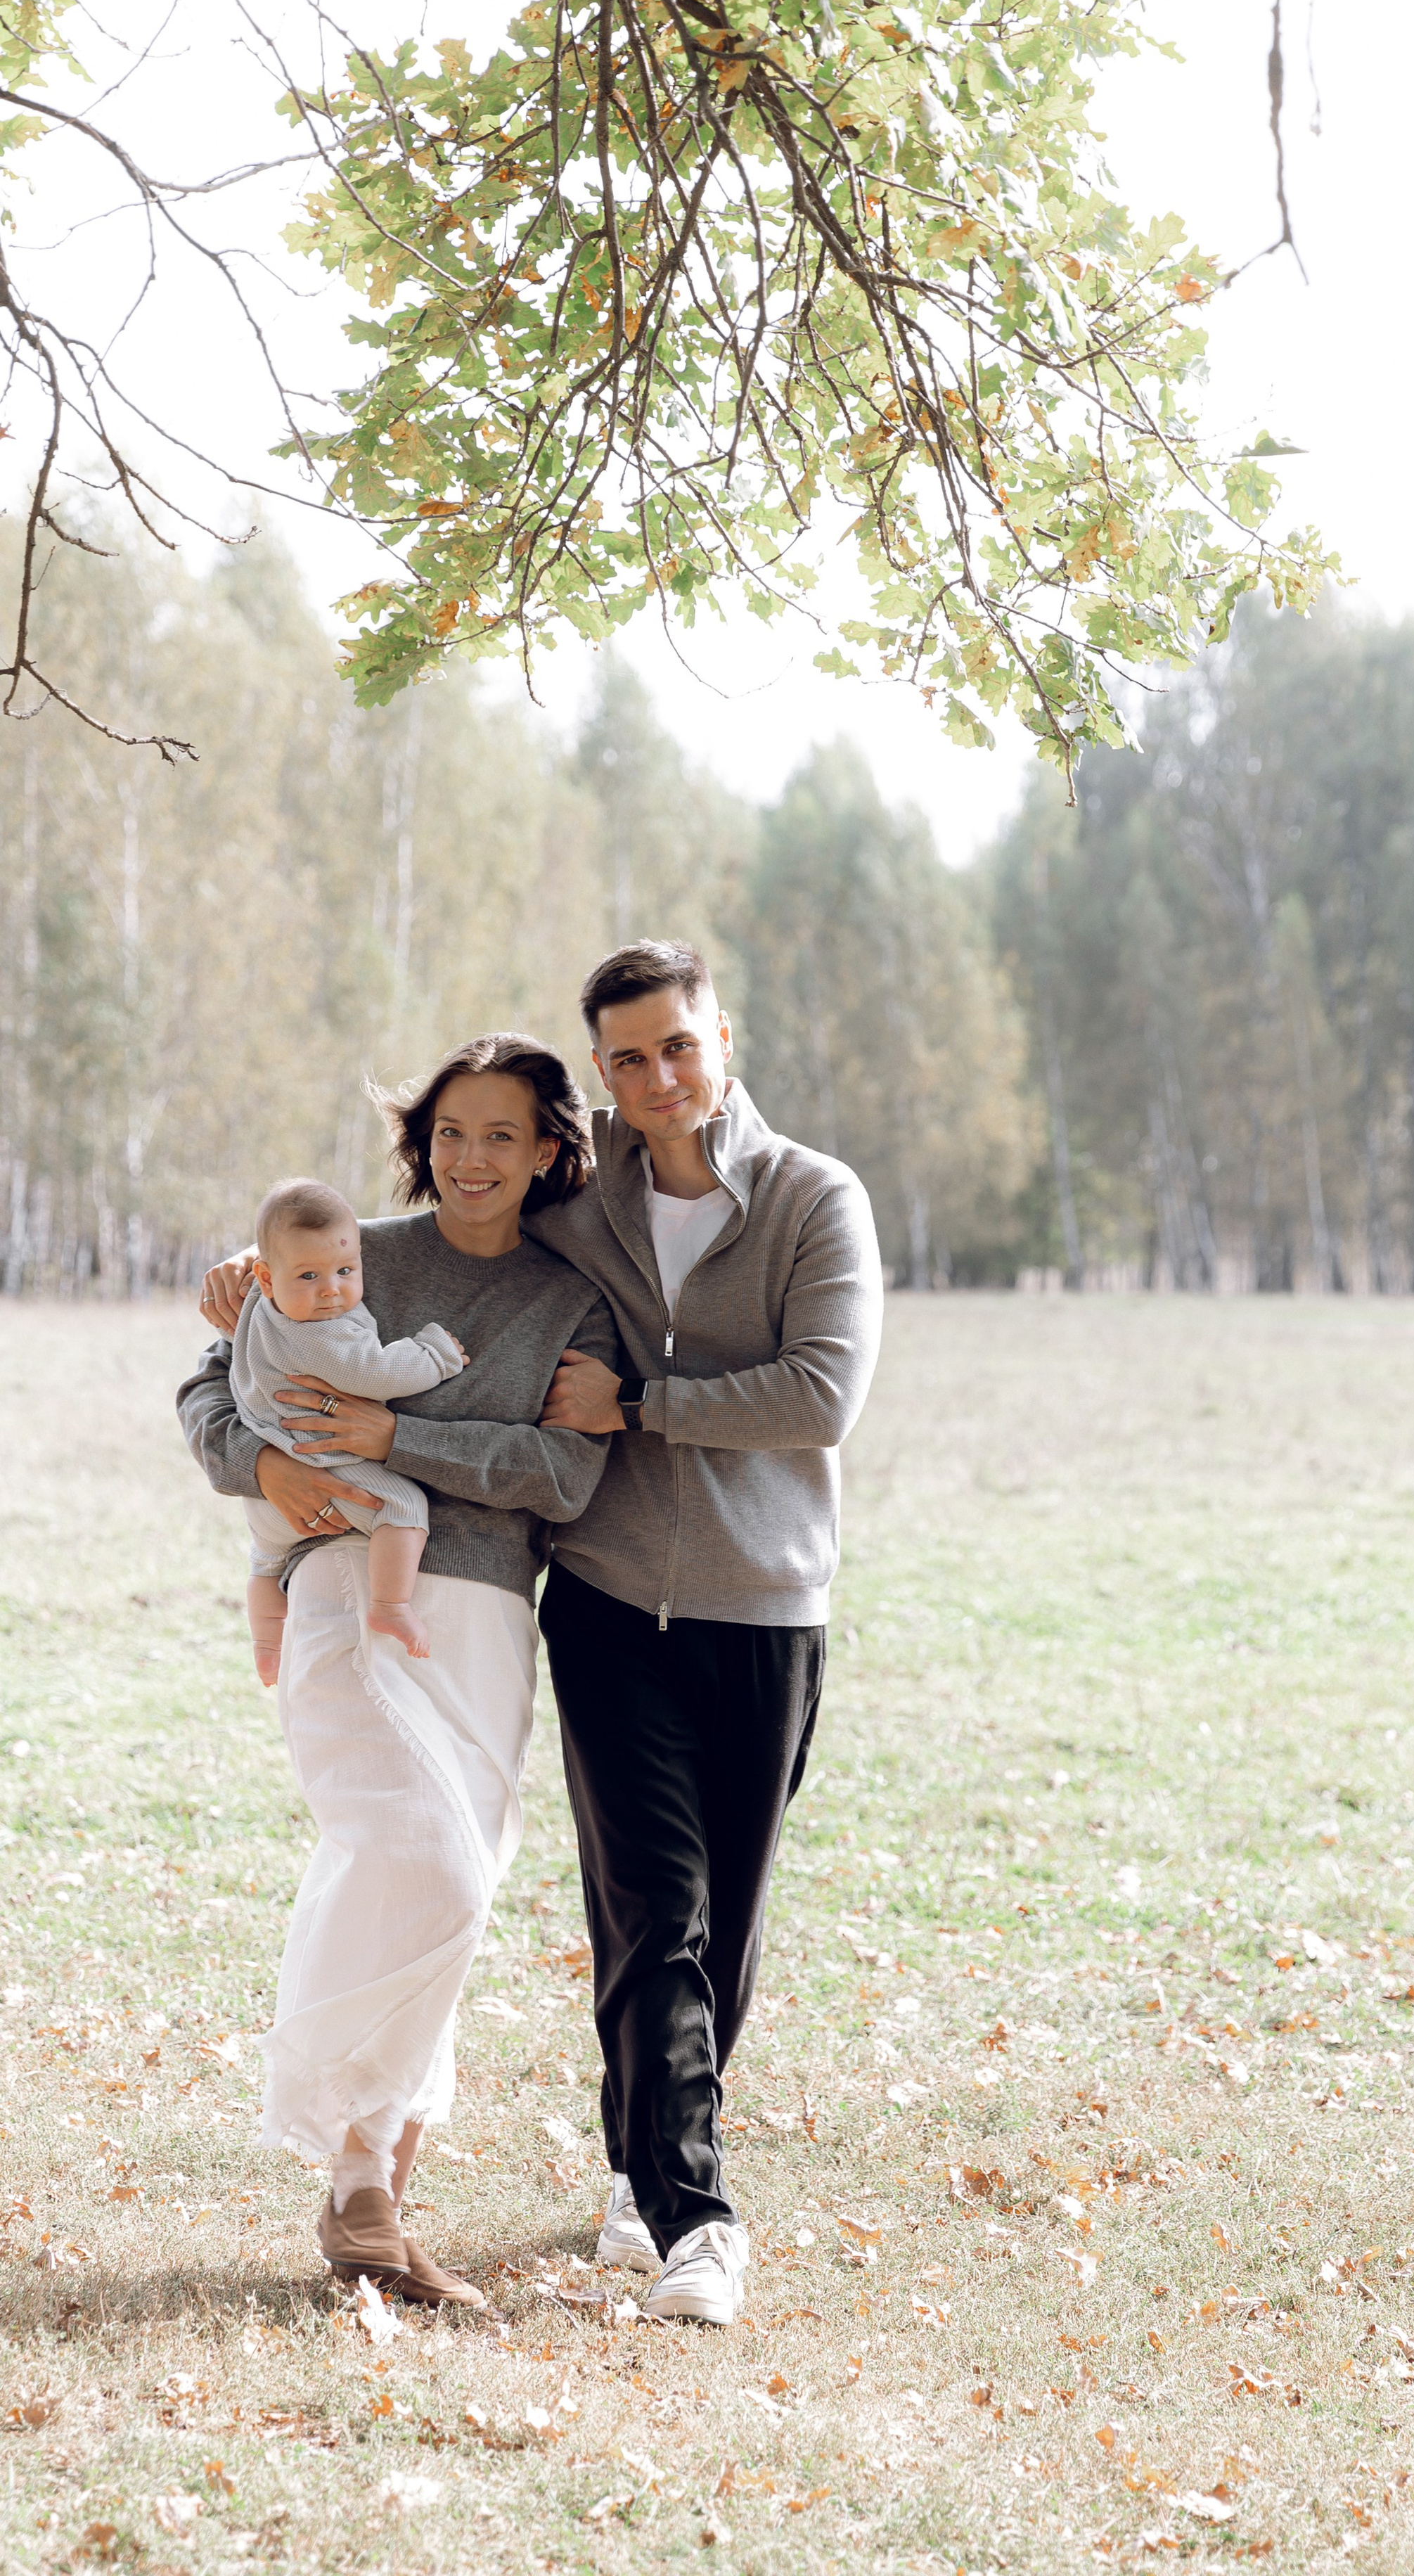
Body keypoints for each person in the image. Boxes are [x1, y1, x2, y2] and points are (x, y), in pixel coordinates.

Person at [180, 1034, 619, 2307]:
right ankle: (346, 2151)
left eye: (501, 1135)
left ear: (547, 1152)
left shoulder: (568, 1300)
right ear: (420, 1144)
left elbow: (565, 1475)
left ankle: (373, 2195)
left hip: (488, 1615)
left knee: (461, 1887)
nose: (470, 1158)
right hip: (345, 1587)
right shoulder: (340, 1255)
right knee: (421, 1860)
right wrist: (270, 1470)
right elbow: (212, 1400)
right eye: (449, 1133)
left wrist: (399, 1435)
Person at [525, 940, 883, 2328]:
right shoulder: (580, 1209)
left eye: (678, 1045)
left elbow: (819, 1394)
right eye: (627, 1058)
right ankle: (696, 2216)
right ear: (604, 1079)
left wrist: (641, 1404)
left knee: (721, 1925)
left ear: (722, 1036)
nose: (659, 1078)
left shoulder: (810, 1201)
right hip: (608, 1602)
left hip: (763, 1608)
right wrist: (280, 1262)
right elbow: (459, 1228)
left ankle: (640, 2163)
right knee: (648, 1916)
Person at [233, 1177, 469, 1678]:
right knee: (403, 1506)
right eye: (309, 1277)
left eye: (345, 1270)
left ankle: (266, 1646)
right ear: (267, 1276)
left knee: (265, 1563)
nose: (331, 1290)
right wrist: (436, 1354)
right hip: (318, 1466)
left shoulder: (259, 1304)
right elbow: (377, 1374)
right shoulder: (321, 1335)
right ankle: (390, 1605)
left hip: (265, 1488)